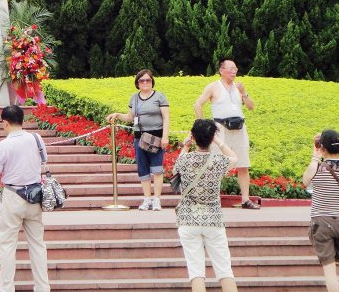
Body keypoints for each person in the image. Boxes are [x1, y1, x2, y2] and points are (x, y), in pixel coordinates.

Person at [0, 105, 51, 292]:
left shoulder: (4, 145)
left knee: (7, 245)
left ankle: (7, 289)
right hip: (35, 195)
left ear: (5, 123)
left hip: (13, 196)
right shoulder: (36, 138)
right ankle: (42, 288)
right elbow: (44, 159)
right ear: (22, 120)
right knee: (37, 244)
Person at [175, 118, 239, 292]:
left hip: (188, 220)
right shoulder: (218, 161)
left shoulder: (184, 160)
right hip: (213, 220)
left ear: (193, 137)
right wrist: (218, 140)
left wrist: (186, 145)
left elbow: (176, 169)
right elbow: (234, 158)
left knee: (196, 271)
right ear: (211, 138)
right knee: (225, 270)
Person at [193, 57, 259, 209]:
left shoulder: (239, 87)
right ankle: (212, 198)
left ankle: (245, 199)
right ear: (221, 70)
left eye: (235, 69)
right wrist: (201, 124)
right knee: (216, 163)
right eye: (230, 68)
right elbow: (198, 104)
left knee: (243, 164)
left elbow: (250, 107)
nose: (233, 71)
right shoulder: (213, 86)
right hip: (221, 128)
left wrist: (244, 92)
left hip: (240, 127)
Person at [105, 68, 170, 210]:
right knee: (143, 168)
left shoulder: (159, 96)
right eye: (142, 80)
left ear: (152, 82)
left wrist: (165, 136)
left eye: (148, 80)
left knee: (157, 168)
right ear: (137, 83)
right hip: (139, 137)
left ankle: (157, 199)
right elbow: (130, 117)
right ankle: (147, 199)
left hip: (156, 136)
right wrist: (117, 114)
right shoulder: (134, 98)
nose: (145, 82)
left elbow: (166, 117)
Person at [302, 130, 339, 292]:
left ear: (322, 147)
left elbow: (305, 182)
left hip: (321, 221)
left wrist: (315, 155)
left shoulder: (317, 168)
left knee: (329, 270)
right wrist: (335, 139)